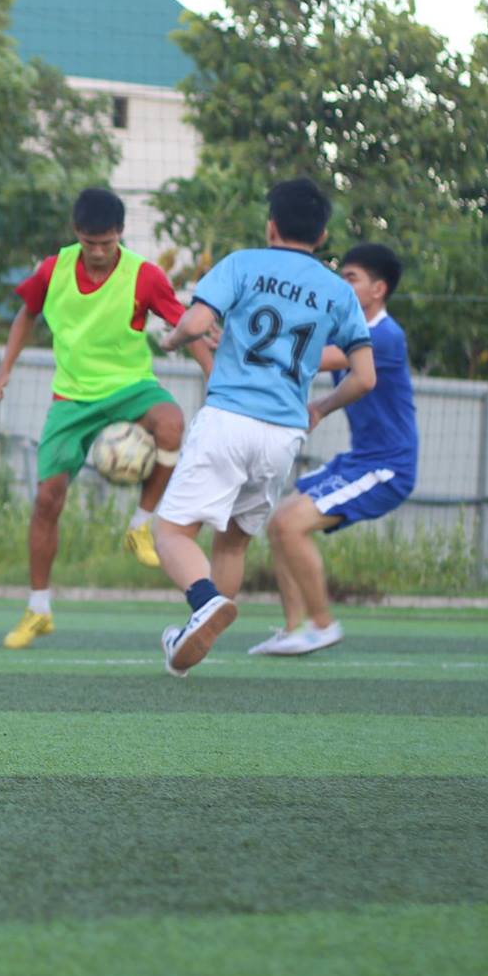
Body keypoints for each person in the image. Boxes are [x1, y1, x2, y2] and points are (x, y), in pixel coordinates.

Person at [152, 178, 375, 675]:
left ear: (271, 226)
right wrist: (321, 408)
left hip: (229, 419)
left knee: (170, 532)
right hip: (282, 436)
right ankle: (198, 632)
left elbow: (195, 325)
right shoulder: (339, 293)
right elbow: (365, 377)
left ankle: (205, 602)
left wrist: (170, 341)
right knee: (233, 541)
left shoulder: (242, 264)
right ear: (322, 236)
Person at [0, 188, 212, 650]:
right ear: (76, 233)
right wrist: (4, 370)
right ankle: (38, 608)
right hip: (71, 398)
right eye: (90, 243)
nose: (98, 252)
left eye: (107, 243)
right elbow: (26, 315)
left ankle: (140, 525)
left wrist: (215, 376)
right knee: (47, 500)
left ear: (120, 234)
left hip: (130, 387)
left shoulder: (144, 276)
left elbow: (186, 327)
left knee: (172, 423)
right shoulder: (53, 270)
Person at [253, 243, 417, 655]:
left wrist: (253, 344)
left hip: (387, 467)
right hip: (360, 460)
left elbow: (312, 355)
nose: (342, 286)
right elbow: (300, 343)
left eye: (351, 279)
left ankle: (323, 625)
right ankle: (294, 628)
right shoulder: (347, 327)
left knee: (291, 526)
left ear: (378, 289)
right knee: (279, 523)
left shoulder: (385, 336)